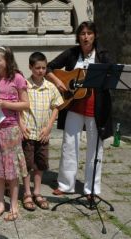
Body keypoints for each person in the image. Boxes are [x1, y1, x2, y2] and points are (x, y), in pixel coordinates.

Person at [47, 21, 113, 197]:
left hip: (96, 108)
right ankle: (65, 184)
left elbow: (112, 76)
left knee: (95, 148)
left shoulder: (103, 55)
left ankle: (91, 189)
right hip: (74, 106)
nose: (86, 37)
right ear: (78, 36)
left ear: (95, 35)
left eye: (89, 33)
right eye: (82, 34)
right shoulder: (71, 53)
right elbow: (49, 67)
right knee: (69, 145)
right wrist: (59, 82)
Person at [0, 46, 29, 221]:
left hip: (11, 130)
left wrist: (4, 104)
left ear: (8, 60)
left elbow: (25, 104)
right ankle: (1, 203)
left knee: (12, 170)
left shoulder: (17, 78)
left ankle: (14, 205)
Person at [20, 52, 63, 211]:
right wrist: (21, 124)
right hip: (28, 132)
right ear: (30, 67)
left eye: (44, 68)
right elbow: (18, 107)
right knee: (26, 163)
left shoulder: (50, 87)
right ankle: (26, 193)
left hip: (43, 133)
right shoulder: (24, 85)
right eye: (37, 68)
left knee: (40, 164)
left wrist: (49, 127)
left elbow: (56, 106)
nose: (40, 71)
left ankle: (37, 192)